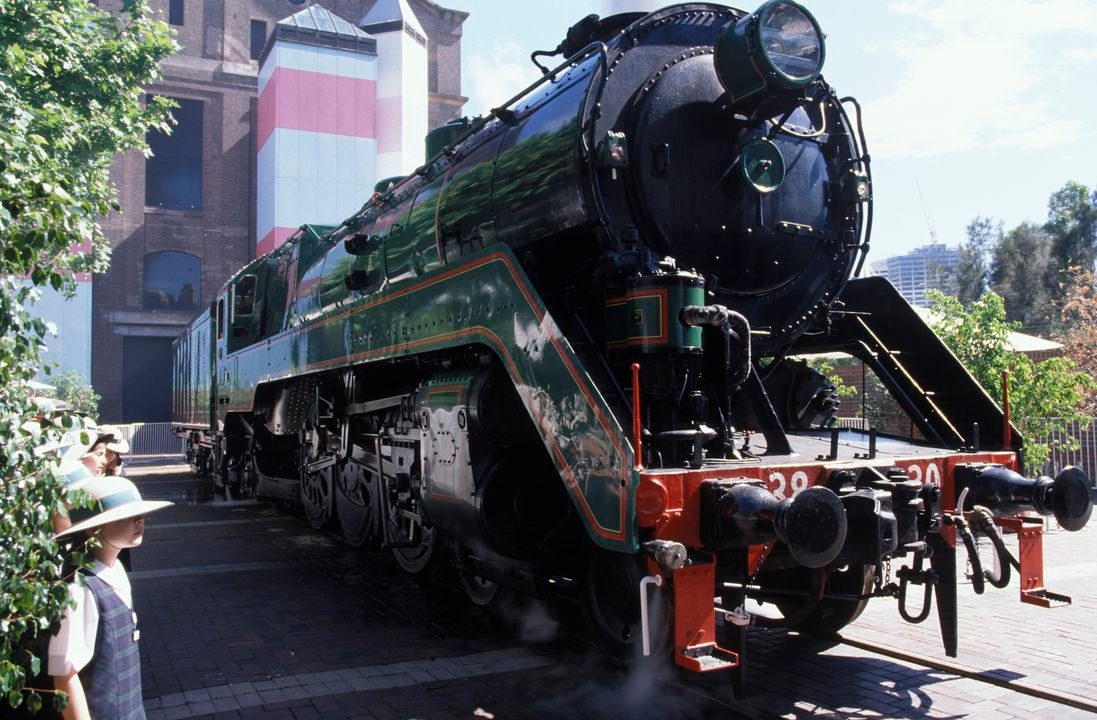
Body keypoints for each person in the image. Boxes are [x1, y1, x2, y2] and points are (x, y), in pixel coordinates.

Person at [47, 476, 172, 720]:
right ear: (93, 528)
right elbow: (64, 676)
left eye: (141, 516)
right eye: (126, 516)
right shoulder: (80, 589)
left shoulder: (115, 570)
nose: (140, 522)